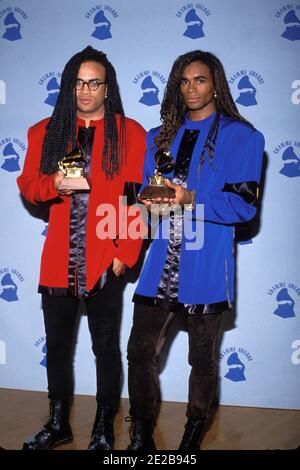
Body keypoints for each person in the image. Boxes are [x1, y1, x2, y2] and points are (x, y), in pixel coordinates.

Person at [126, 50, 264, 451]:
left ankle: (192, 434)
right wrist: (144, 204)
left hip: (206, 263)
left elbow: (242, 205)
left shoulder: (244, 136)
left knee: (201, 358)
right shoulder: (157, 137)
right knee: (139, 350)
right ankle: (140, 433)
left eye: (199, 80)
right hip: (158, 263)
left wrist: (190, 197)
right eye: (184, 81)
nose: (191, 88)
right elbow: (139, 196)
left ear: (215, 84)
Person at [17, 46, 146, 450]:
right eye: (78, 81)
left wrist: (126, 252)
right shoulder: (44, 132)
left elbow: (135, 198)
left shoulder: (131, 133)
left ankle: (103, 428)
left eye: (94, 82)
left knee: (105, 348)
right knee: (57, 347)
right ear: (68, 85)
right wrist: (53, 182)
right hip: (57, 263)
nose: (86, 90)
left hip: (105, 260)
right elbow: (30, 190)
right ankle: (58, 423)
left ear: (108, 87)